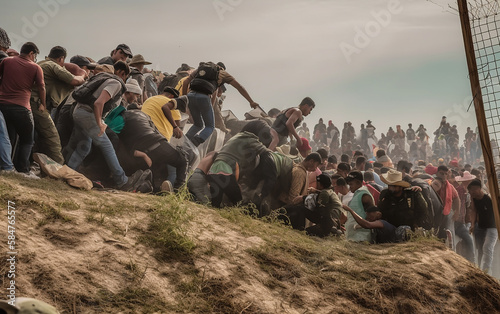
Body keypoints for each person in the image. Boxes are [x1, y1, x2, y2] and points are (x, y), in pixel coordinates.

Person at [66, 61, 145, 191]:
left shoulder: (105, 78)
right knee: (107, 146)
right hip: (87, 114)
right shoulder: (116, 83)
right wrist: (99, 123)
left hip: (79, 112)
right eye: (126, 77)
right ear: (122, 73)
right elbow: (98, 103)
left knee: (84, 147)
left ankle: (68, 173)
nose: (125, 80)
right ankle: (122, 181)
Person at [30, 46, 87, 164]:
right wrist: (82, 74)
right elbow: (75, 81)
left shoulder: (42, 63)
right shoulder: (53, 66)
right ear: (61, 58)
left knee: (38, 137)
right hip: (38, 104)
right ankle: (59, 168)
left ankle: (35, 163)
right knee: (53, 138)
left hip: (33, 102)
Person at [182, 61, 259, 146]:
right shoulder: (222, 73)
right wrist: (251, 101)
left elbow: (185, 82)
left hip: (190, 96)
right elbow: (239, 87)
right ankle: (193, 144)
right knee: (210, 127)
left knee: (198, 125)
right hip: (204, 98)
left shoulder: (201, 69)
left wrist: (185, 99)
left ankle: (183, 143)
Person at [0, 42, 45, 178]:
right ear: (31, 53)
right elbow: (41, 87)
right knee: (27, 140)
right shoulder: (35, 67)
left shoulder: (6, 61)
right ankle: (23, 169)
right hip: (22, 107)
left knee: (9, 137)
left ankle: (7, 166)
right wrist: (43, 104)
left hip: (3, 105)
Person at [207, 131, 268, 208]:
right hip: (226, 171)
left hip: (213, 170)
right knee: (238, 202)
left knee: (215, 204)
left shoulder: (234, 139)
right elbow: (265, 150)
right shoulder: (250, 139)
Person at [468, 179, 498, 274]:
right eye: (469, 191)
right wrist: (472, 224)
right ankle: (480, 270)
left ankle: (486, 272)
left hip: (493, 227)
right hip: (480, 227)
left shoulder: (489, 198)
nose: (470, 193)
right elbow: (474, 211)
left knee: (487, 247)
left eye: (472, 190)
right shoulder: (473, 199)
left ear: (479, 189)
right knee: (480, 249)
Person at [343, 205, 409, 243]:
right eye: (367, 216)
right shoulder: (377, 224)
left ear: (378, 214)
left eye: (370, 215)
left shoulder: (381, 223)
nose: (368, 218)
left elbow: (367, 225)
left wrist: (351, 211)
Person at [452, 171, 476, 263]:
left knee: (466, 241)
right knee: (468, 240)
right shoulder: (459, 190)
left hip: (462, 221)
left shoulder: (466, 192)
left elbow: (466, 207)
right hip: (457, 222)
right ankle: (472, 261)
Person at [345, 171, 374, 242]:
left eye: (351, 184)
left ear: (358, 182)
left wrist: (359, 226)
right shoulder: (357, 194)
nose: (349, 187)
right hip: (354, 237)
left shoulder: (364, 196)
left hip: (361, 238)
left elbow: (372, 216)